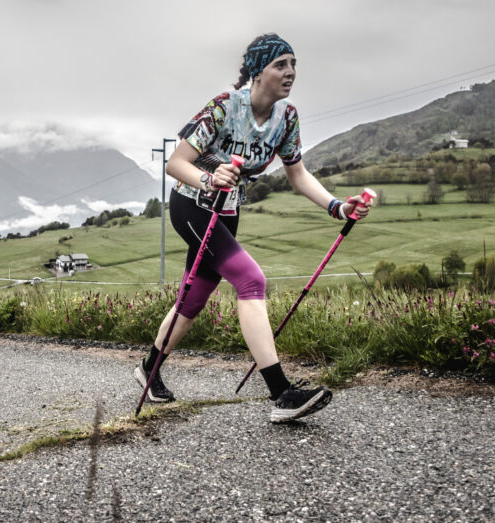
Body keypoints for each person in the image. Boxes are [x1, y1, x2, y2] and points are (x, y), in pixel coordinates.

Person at [134, 33, 372, 423]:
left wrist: (336, 207)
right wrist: (211, 180)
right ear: (258, 71)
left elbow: (297, 174)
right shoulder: (226, 107)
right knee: (251, 279)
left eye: (294, 65)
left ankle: (149, 367)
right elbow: (175, 163)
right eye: (281, 64)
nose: (291, 72)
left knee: (194, 300)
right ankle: (282, 395)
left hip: (227, 212)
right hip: (192, 205)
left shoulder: (287, 118)